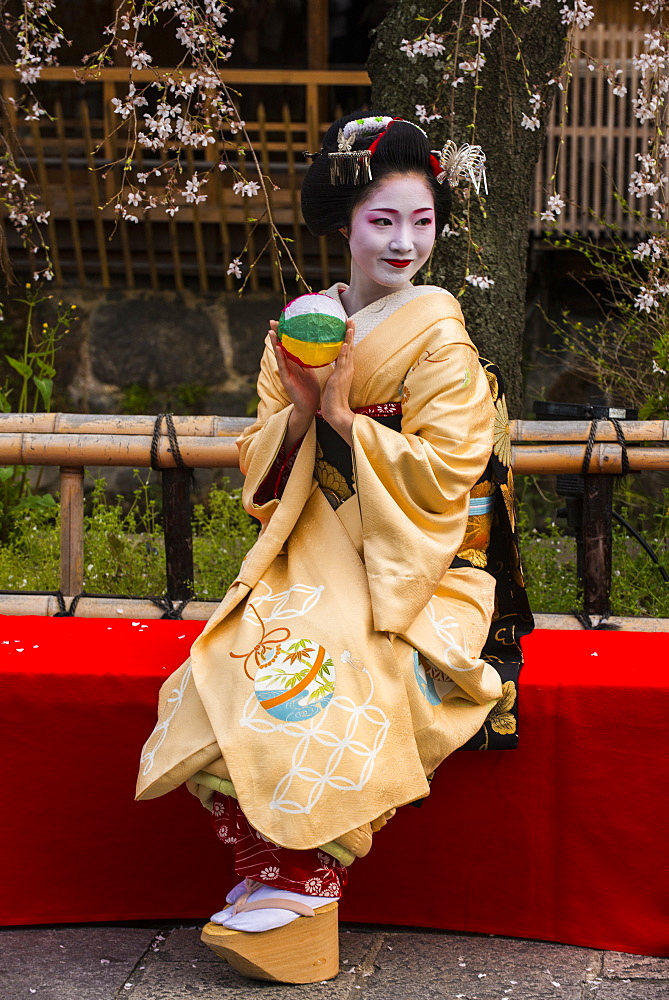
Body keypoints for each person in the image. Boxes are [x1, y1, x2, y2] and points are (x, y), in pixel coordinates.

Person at [136, 114, 532, 984]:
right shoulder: (305, 325)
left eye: (421, 222)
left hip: (426, 569)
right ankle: (284, 882)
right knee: (210, 679)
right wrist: (306, 404)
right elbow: (261, 467)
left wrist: (349, 414)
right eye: (383, 221)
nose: (404, 242)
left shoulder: (442, 341)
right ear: (345, 226)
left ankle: (298, 881)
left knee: (325, 679)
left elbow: (444, 478)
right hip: (320, 550)